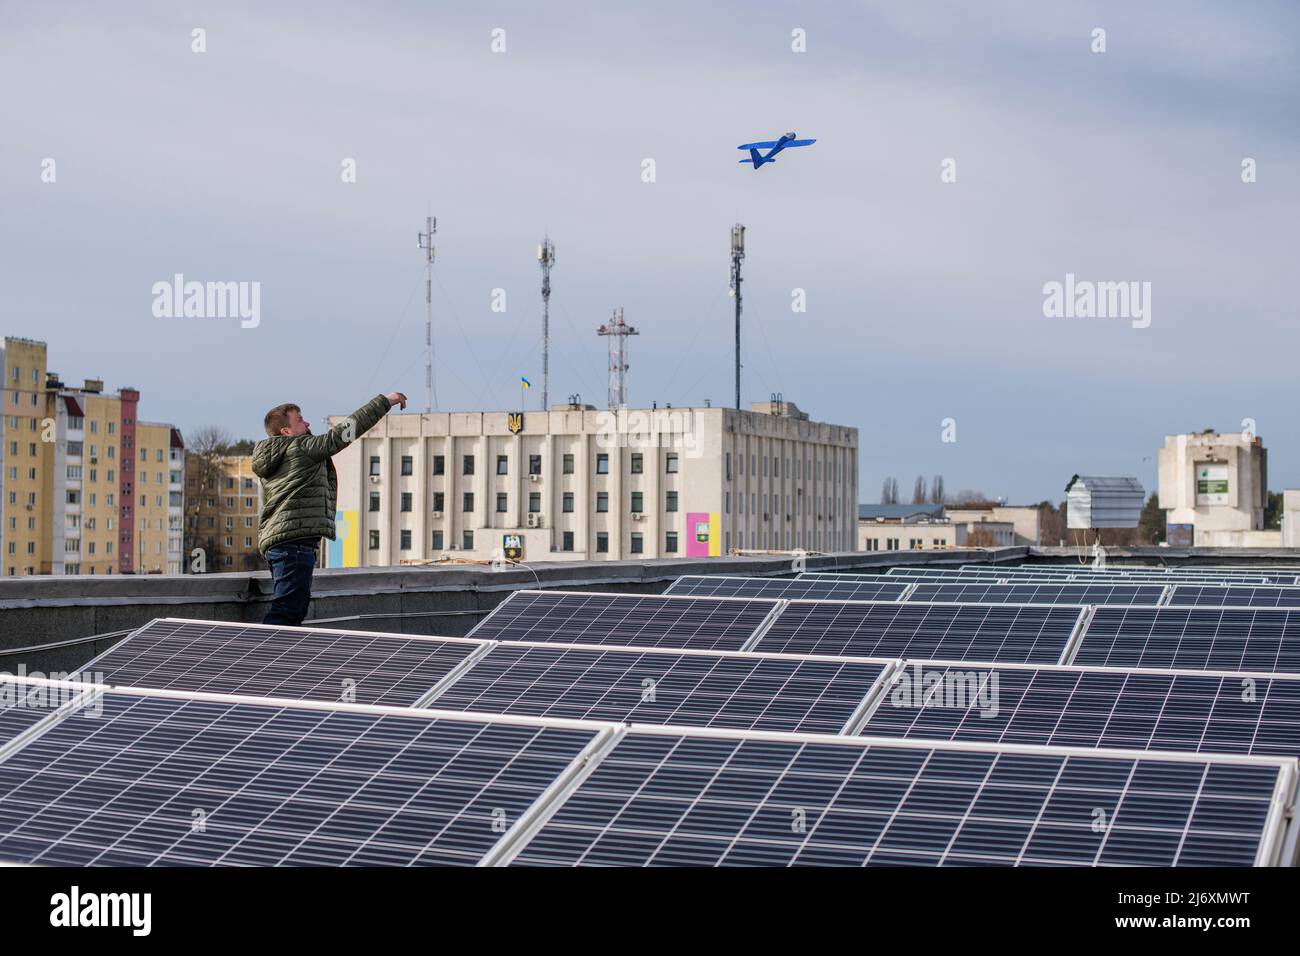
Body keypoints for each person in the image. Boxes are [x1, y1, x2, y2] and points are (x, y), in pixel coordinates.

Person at [253, 391, 407, 626]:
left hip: (281, 544)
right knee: (288, 611)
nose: (308, 423)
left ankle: (273, 656)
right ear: (286, 431)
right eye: (300, 420)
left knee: (290, 608)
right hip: (293, 545)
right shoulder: (300, 448)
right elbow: (345, 432)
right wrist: (385, 402)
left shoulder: (275, 457)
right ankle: (263, 657)